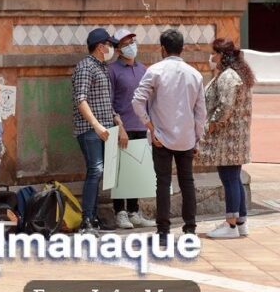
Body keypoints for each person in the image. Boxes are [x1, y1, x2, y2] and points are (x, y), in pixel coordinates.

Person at [132, 29, 206, 245]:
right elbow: (201, 112)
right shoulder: (195, 74)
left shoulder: (155, 71)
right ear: (182, 48)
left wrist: (150, 126)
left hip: (161, 137)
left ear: (162, 49)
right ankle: (190, 229)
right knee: (187, 182)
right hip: (186, 138)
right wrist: (197, 138)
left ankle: (163, 232)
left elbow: (137, 101)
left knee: (162, 183)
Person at [72, 27, 128, 233]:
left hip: (106, 129)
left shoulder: (102, 67)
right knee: (95, 170)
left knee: (101, 173)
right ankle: (86, 220)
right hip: (90, 129)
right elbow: (81, 99)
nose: (112, 48)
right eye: (109, 44)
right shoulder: (85, 67)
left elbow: (105, 102)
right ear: (99, 46)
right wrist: (96, 125)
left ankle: (93, 218)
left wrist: (117, 123)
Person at [202, 38, 255, 239]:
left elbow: (225, 106)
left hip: (227, 138)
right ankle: (241, 221)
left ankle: (231, 224)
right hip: (237, 137)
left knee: (229, 178)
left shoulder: (228, 77)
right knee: (234, 178)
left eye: (214, 53)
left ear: (222, 55)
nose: (212, 57)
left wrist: (213, 124)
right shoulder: (240, 75)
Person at [106, 29, 157, 230]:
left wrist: (151, 126)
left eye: (132, 41)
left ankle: (134, 212)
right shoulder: (111, 70)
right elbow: (107, 102)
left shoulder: (144, 69)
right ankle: (120, 212)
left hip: (140, 127)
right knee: (119, 174)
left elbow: (150, 100)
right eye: (126, 43)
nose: (131, 45)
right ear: (118, 49)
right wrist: (119, 127)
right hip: (121, 128)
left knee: (135, 172)